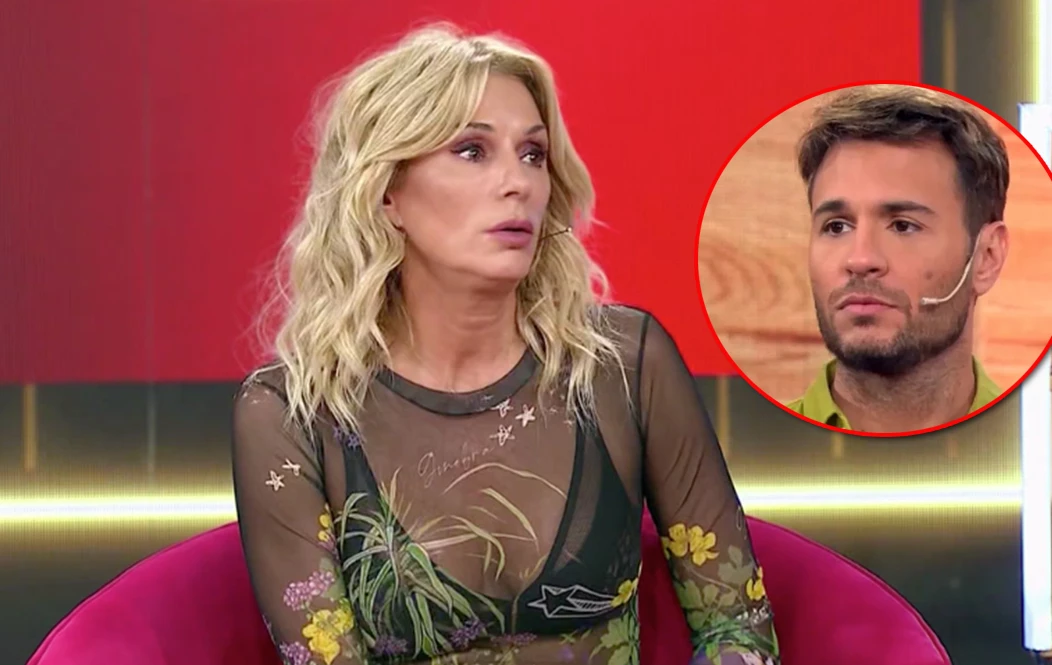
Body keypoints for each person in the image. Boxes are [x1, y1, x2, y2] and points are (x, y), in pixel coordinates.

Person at [231, 23, 778, 665]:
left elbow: (738, 628)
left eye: (533, 154)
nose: (518, 183)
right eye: (473, 151)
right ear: (386, 193)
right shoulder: (291, 414)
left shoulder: (624, 364)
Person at [785, 84, 1009, 434]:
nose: (860, 260)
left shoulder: (1037, 450)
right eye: (837, 226)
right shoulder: (733, 452)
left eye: (903, 226)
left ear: (986, 257)